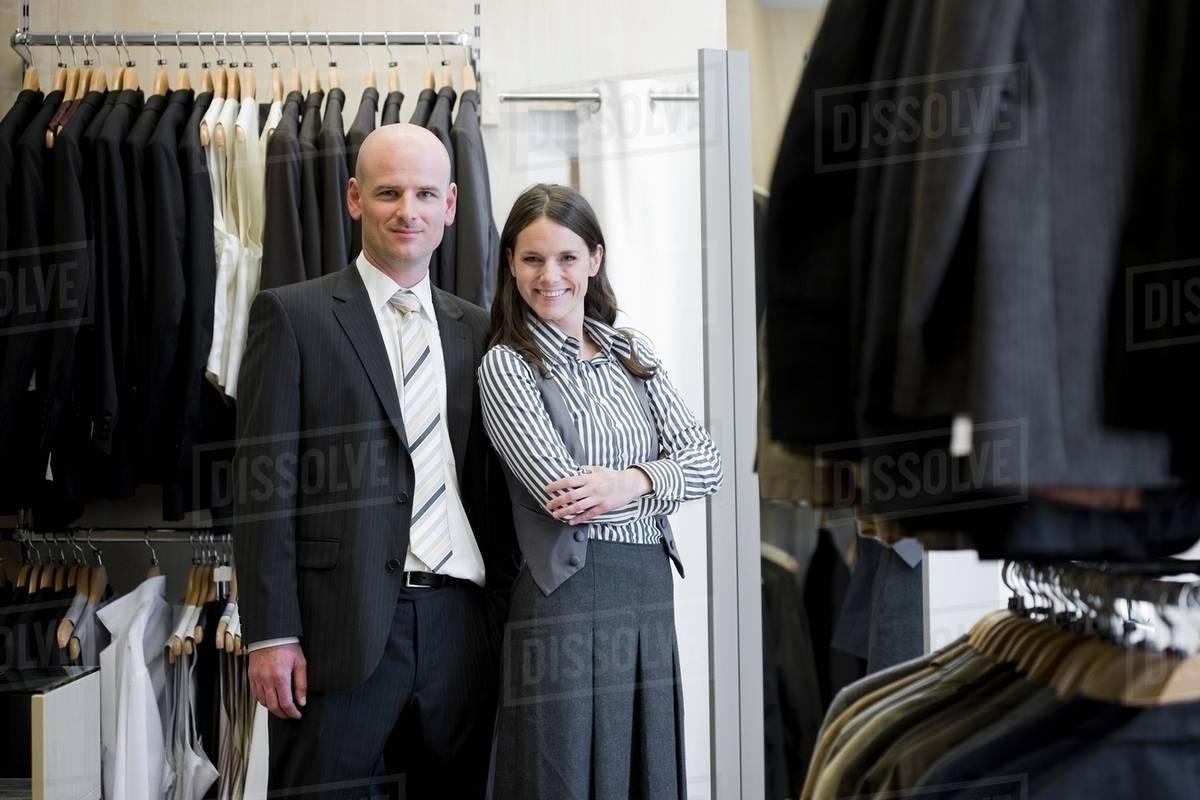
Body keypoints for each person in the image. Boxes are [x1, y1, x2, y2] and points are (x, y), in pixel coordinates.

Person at [232, 123, 518, 799]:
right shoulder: (293, 316)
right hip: (341, 632)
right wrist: (269, 634)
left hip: (461, 631)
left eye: (424, 194)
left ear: (450, 205)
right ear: (356, 198)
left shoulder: (479, 329)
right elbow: (260, 488)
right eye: (389, 192)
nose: (407, 210)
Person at [478, 183, 724, 799]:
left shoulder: (631, 352)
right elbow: (564, 495)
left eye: (566, 257)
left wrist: (630, 481)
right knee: (560, 775)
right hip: (567, 591)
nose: (549, 276)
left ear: (595, 258)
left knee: (644, 772)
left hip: (646, 588)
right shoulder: (508, 364)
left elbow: (710, 463)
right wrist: (657, 479)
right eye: (532, 259)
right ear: (510, 263)